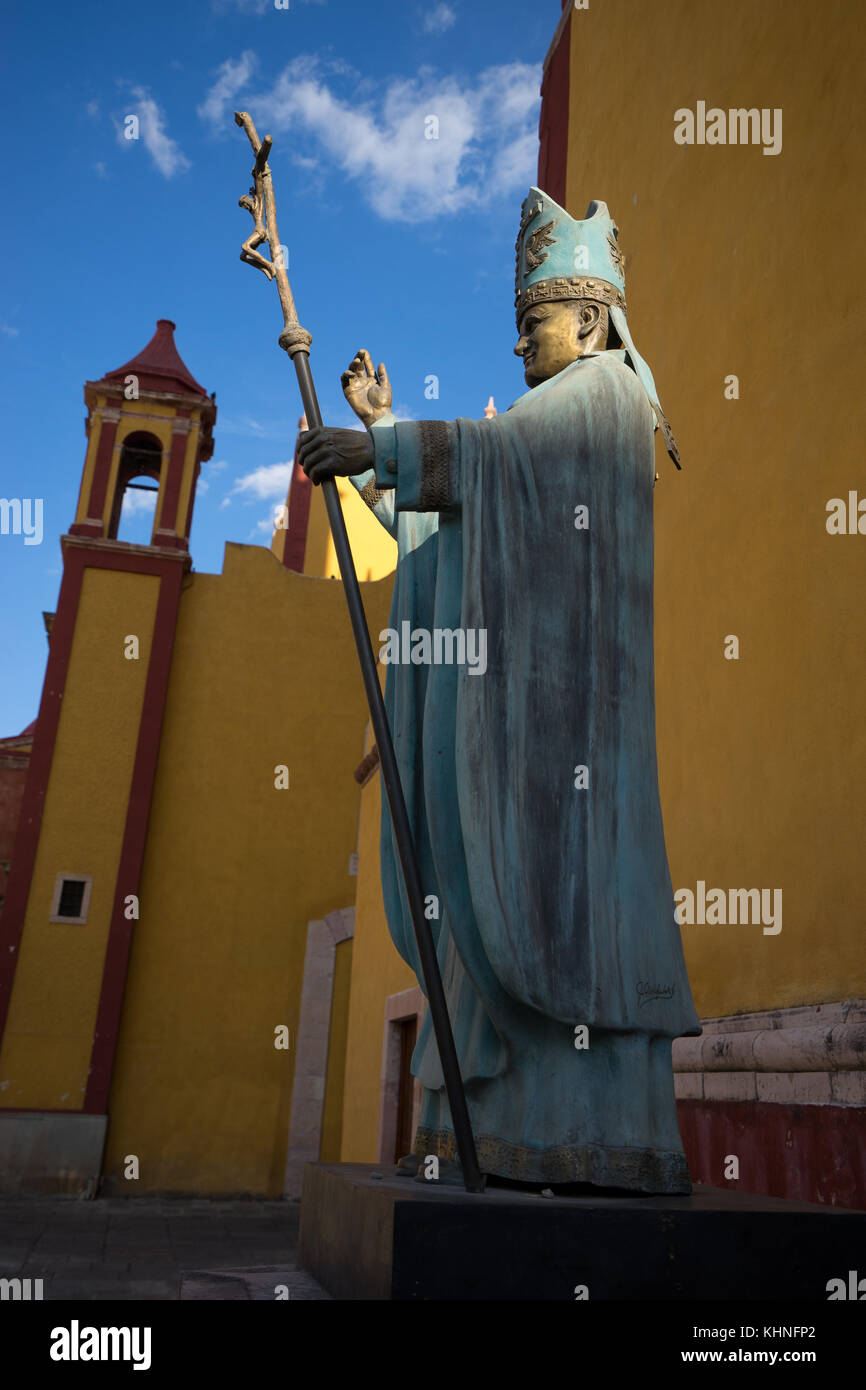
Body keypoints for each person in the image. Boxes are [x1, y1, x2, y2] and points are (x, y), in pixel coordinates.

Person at [299, 190, 700, 1192]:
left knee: (544, 892)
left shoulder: (607, 400)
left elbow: (500, 459)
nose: (520, 348)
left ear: (590, 322)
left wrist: (382, 449)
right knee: (485, 871)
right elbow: (458, 525)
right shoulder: (539, 416)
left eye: (532, 326)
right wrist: (381, 438)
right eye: (517, 330)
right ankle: (504, 1120)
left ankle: (586, 1129)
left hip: (571, 739)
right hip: (520, 728)